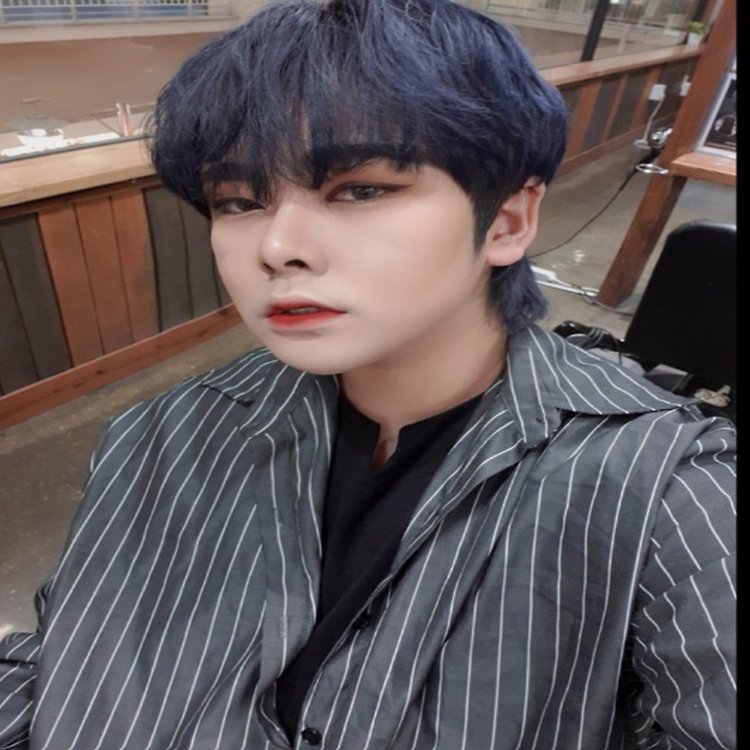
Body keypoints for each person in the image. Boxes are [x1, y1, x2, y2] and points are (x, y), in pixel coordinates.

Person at [0, 0, 736, 747]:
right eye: (238, 201)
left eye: (359, 189)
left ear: (508, 220)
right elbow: (58, 660)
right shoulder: (160, 436)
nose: (278, 248)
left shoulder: (670, 490)